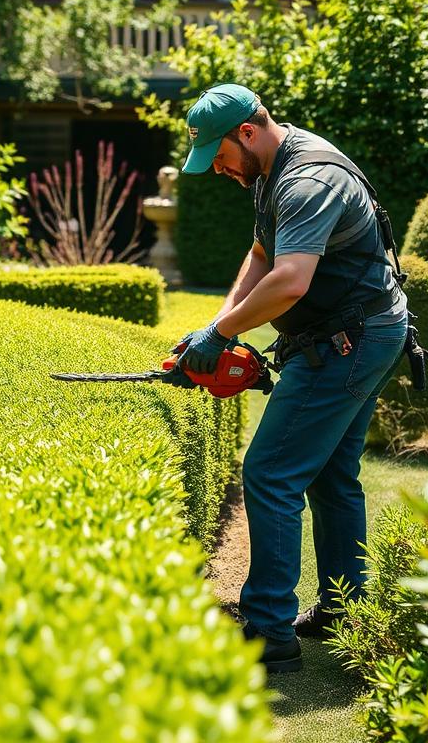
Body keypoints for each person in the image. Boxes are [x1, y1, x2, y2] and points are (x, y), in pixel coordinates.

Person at [164, 83, 409, 673]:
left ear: (247, 133)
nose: (218, 169)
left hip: (351, 340)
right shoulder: (270, 172)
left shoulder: (307, 179)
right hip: (357, 331)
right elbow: (260, 255)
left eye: (219, 155)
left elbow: (291, 279)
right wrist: (216, 325)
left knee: (270, 472)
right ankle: (344, 612)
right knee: (330, 473)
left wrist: (220, 337)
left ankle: (269, 631)